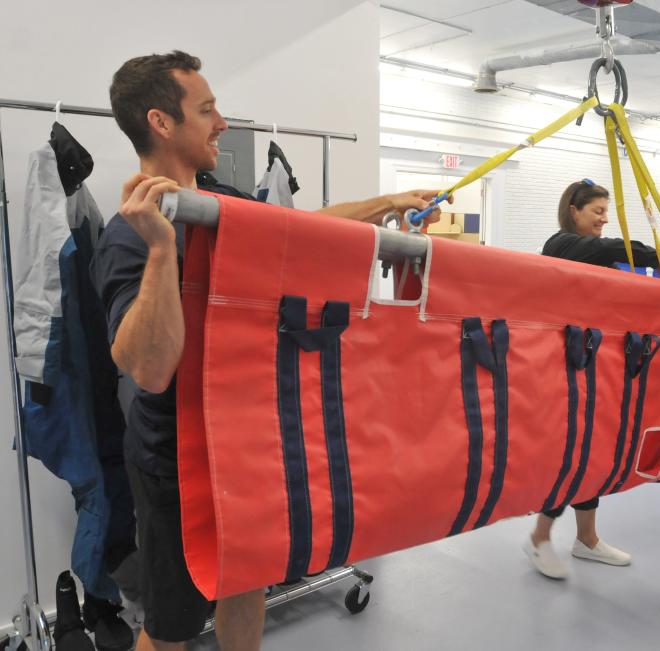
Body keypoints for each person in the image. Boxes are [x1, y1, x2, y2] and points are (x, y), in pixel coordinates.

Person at [91, 50, 443, 651]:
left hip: (246, 443)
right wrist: (159, 251)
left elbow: (308, 227)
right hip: (174, 459)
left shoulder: (220, 198)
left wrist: (390, 204)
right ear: (162, 122)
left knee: (246, 586)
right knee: (171, 624)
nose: (222, 122)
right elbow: (148, 369)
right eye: (206, 110)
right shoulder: (130, 234)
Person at [523, 178, 660, 579]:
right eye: (598, 211)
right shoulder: (561, 244)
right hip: (560, 365)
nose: (604, 219)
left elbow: (620, 290)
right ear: (574, 210)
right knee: (571, 452)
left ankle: (586, 539)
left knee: (592, 451)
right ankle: (540, 537)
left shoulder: (595, 255)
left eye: (607, 212)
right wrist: (653, 255)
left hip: (591, 362)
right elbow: (609, 249)